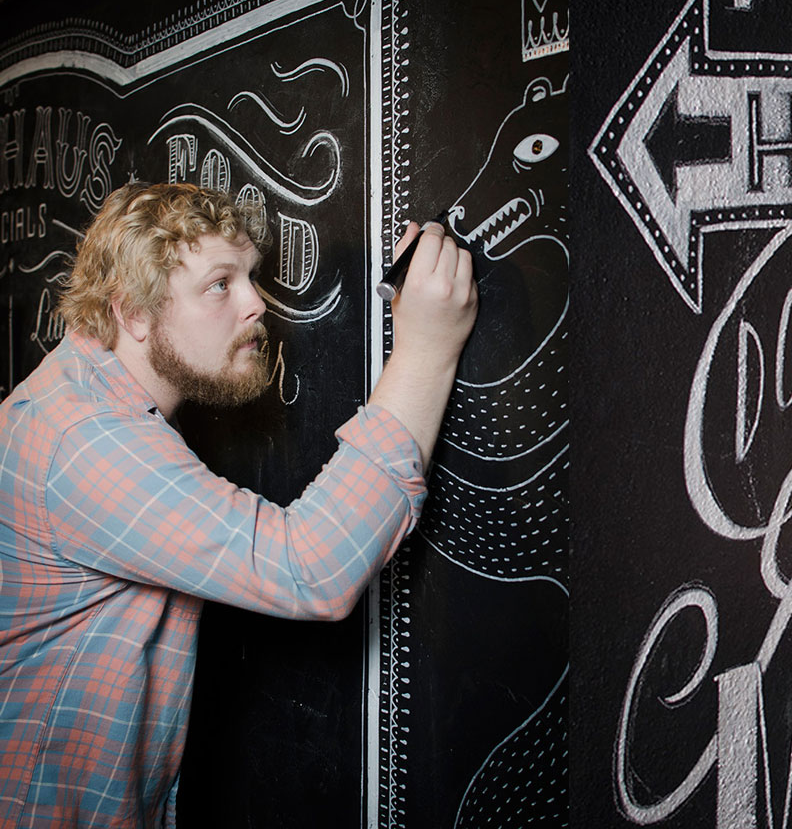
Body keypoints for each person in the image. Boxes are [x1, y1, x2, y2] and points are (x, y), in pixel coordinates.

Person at [0, 182, 477, 826]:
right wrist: (427, 349)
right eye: (220, 284)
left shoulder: (78, 396)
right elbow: (312, 566)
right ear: (133, 313)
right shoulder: (83, 442)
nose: (256, 304)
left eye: (249, 276)